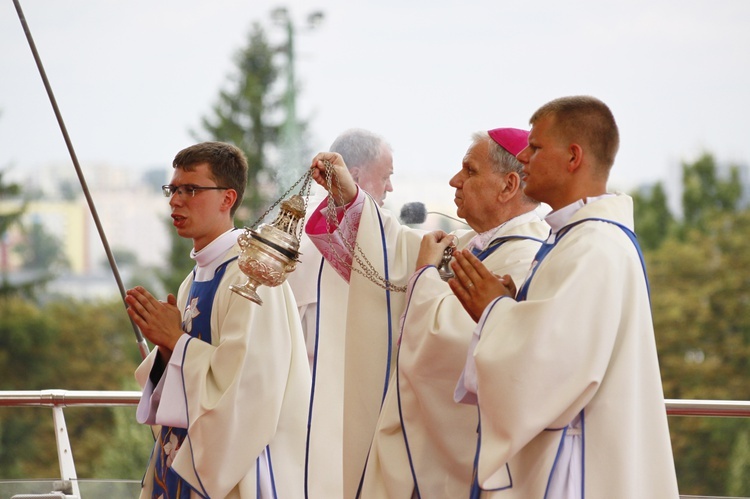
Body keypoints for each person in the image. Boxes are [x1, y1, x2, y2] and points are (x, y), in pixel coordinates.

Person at [450, 96, 680, 497]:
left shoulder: (594, 246)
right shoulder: (578, 238)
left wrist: (494, 311)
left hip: (579, 469)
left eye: (536, 147)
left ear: (573, 157)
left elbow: (551, 370)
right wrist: (510, 310)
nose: (523, 157)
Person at [304, 128, 549, 498]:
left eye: (469, 171)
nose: (455, 181)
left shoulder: (524, 259)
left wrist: (424, 276)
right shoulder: (471, 245)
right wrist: (349, 197)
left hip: (465, 461)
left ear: (508, 186)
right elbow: (392, 249)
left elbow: (450, 346)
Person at [125, 141, 311, 498]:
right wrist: (166, 348)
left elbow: (250, 389)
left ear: (227, 199)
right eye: (173, 189)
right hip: (180, 462)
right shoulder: (192, 280)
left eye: (190, 189)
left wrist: (176, 342)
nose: (175, 201)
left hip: (235, 475)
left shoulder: (252, 276)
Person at [284, 127, 396, 498]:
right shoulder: (334, 236)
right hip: (324, 401)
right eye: (387, 176)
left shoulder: (291, 229)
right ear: (358, 176)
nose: (391, 189)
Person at [287, 128, 395, 366]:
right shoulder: (359, 232)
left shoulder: (292, 216)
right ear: (353, 177)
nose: (390, 188)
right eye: (385, 177)